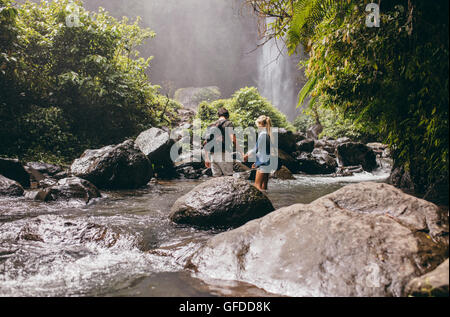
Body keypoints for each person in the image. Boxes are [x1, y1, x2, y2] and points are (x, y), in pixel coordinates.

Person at [204, 107, 243, 177]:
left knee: (216, 178)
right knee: (229, 177)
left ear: (218, 115)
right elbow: (233, 139)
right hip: (224, 154)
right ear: (227, 115)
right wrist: (241, 152)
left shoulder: (211, 125)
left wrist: (207, 158)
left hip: (213, 155)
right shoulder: (228, 123)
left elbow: (206, 143)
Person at [244, 115, 273, 191]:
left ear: (260, 124)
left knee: (257, 187)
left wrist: (246, 155)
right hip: (268, 163)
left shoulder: (263, 134)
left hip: (262, 164)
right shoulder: (268, 134)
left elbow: (255, 149)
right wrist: (256, 162)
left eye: (257, 125)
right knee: (264, 187)